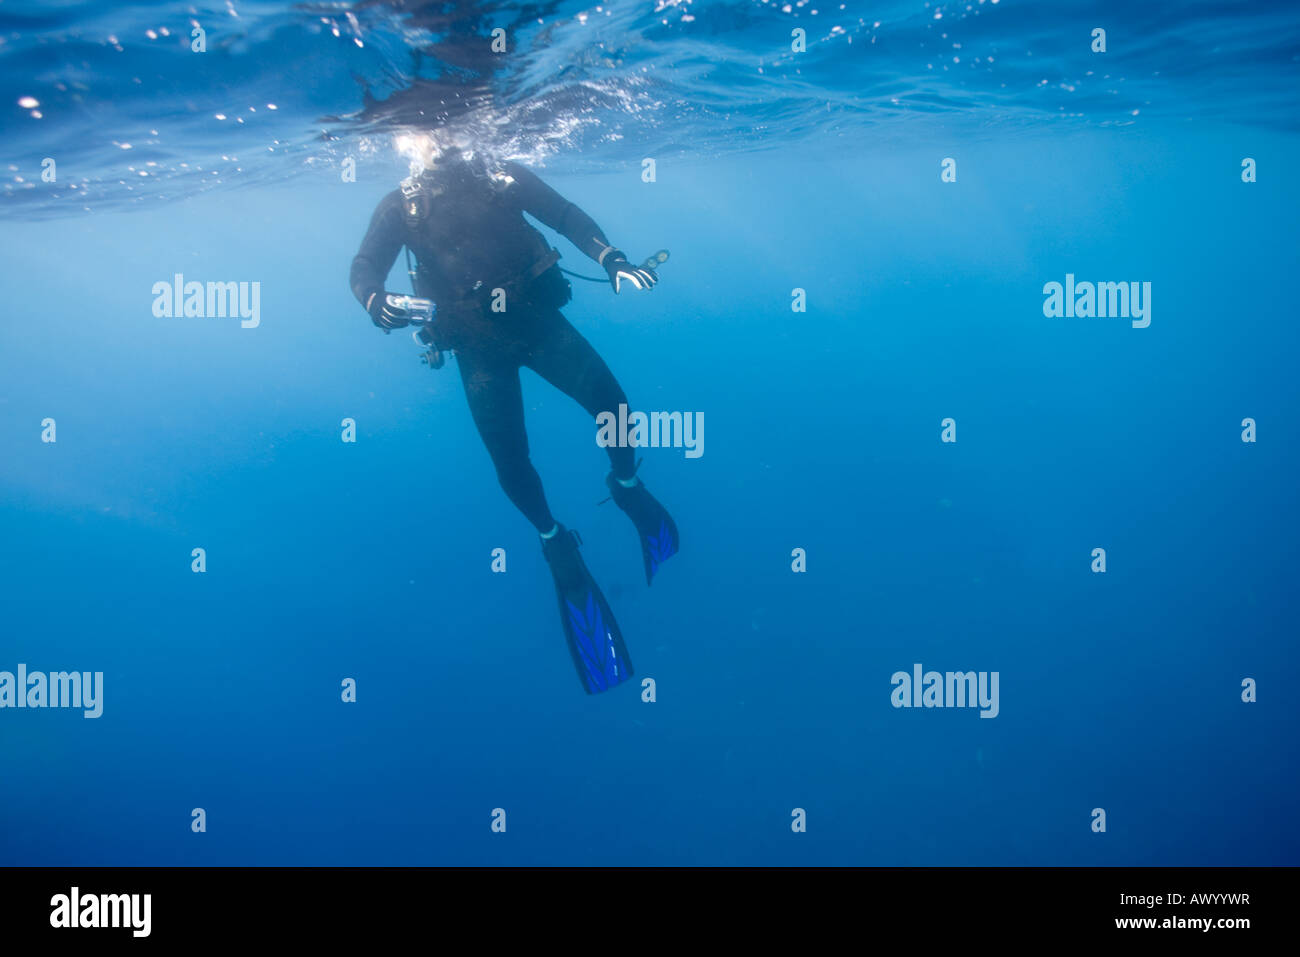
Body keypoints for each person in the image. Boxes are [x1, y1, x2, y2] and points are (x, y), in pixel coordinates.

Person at [349, 145, 679, 693]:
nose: (439, 147)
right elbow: (364, 267)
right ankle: (554, 541)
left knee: (615, 409)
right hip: (477, 347)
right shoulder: (401, 208)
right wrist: (373, 300)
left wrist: (613, 260)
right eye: (424, 141)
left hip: (537, 323)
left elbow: (567, 216)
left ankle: (626, 485)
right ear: (409, 148)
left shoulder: (503, 178)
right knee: (509, 459)